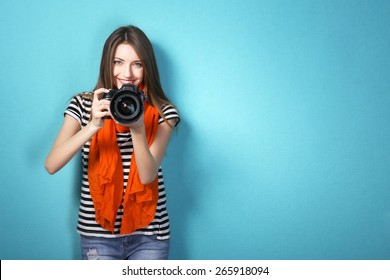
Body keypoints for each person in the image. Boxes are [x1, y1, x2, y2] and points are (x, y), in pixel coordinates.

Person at [45, 25, 180, 260]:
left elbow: (147, 176)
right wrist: (93, 126)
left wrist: (138, 129)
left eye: (137, 64)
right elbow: (52, 164)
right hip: (97, 235)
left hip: (150, 235)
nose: (127, 73)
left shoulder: (163, 112)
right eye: (118, 62)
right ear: (107, 62)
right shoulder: (85, 104)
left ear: (147, 67)